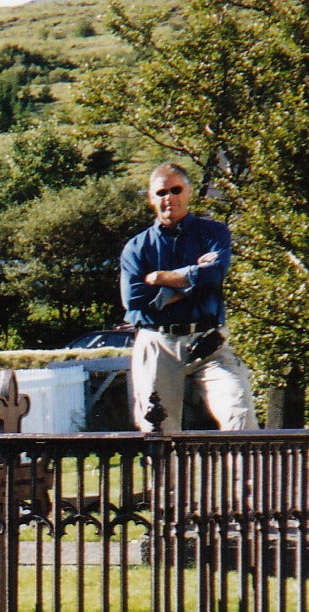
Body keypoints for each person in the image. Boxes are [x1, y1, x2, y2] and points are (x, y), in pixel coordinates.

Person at [120, 163, 255, 431]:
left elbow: (215, 272)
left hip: (208, 342)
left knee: (239, 413)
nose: (168, 197)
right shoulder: (136, 248)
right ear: (150, 198)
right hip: (158, 343)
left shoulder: (213, 233)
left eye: (176, 189)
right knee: (158, 429)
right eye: (161, 192)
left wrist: (160, 278)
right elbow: (135, 301)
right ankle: (166, 463)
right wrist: (194, 279)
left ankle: (242, 463)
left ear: (189, 192)